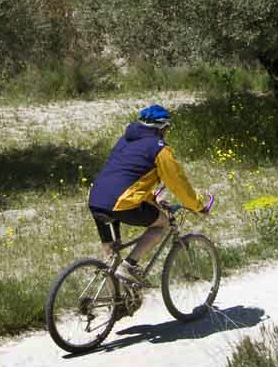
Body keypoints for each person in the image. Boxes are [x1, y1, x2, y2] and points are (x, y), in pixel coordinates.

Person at [86, 103, 213, 284]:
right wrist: (198, 206)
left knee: (110, 256)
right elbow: (179, 184)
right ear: (163, 127)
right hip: (120, 202)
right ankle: (130, 265)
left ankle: (113, 303)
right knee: (162, 224)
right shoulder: (160, 150)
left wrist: (152, 200)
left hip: (97, 198)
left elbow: (129, 177)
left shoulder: (125, 140)